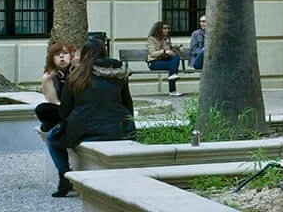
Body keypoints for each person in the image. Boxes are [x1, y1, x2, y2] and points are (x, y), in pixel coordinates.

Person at [48, 37, 135, 198]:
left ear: (84, 54)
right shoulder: (119, 75)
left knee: (52, 137)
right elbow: (128, 104)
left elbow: (65, 112)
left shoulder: (76, 75)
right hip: (119, 129)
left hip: (84, 130)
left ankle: (64, 177)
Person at [145, 20, 182, 96]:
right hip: (153, 63)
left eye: (168, 28)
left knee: (175, 57)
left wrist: (179, 47)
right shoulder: (151, 39)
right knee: (172, 67)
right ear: (159, 29)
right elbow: (152, 53)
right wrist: (164, 51)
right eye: (164, 28)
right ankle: (172, 90)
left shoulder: (166, 38)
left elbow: (170, 48)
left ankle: (173, 77)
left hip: (164, 60)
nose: (167, 30)